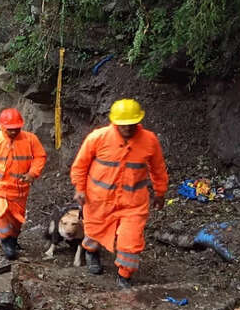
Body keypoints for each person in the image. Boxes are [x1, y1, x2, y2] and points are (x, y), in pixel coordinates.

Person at [70, 98, 168, 289]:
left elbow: (158, 169)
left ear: (138, 122)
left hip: (133, 202)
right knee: (93, 231)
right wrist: (80, 189)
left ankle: (125, 275)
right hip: (98, 198)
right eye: (123, 125)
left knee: (131, 241)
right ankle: (91, 252)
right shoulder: (97, 138)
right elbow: (80, 166)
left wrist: (160, 192)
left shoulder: (149, 140)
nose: (127, 128)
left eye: (131, 124)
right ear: (114, 122)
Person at [0, 108, 47, 260]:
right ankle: (6, 241)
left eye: (16, 128)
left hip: (19, 188)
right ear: (2, 126)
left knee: (17, 218)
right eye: (10, 129)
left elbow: (40, 156)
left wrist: (32, 173)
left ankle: (13, 239)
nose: (13, 132)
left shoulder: (30, 139)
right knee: (1, 212)